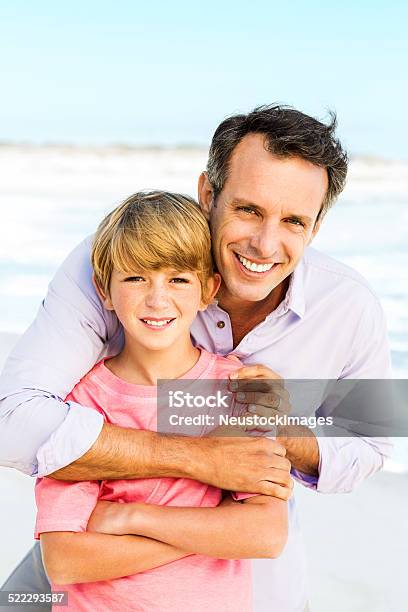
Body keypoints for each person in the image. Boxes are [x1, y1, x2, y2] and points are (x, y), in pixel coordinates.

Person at [0, 105, 392, 612]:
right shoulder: (118, 260)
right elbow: (13, 420)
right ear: (208, 193)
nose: (265, 243)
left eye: (293, 220)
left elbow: (372, 445)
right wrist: (201, 459)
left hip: (236, 581)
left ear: (315, 227)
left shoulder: (351, 305)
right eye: (248, 209)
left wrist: (281, 429)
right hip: (91, 571)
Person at [35, 190, 288, 611]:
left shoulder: (240, 391)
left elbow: (265, 535)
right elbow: (64, 560)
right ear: (105, 290)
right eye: (135, 278)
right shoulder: (80, 403)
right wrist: (212, 534)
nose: (157, 299)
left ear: (208, 289)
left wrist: (131, 518)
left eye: (178, 279)